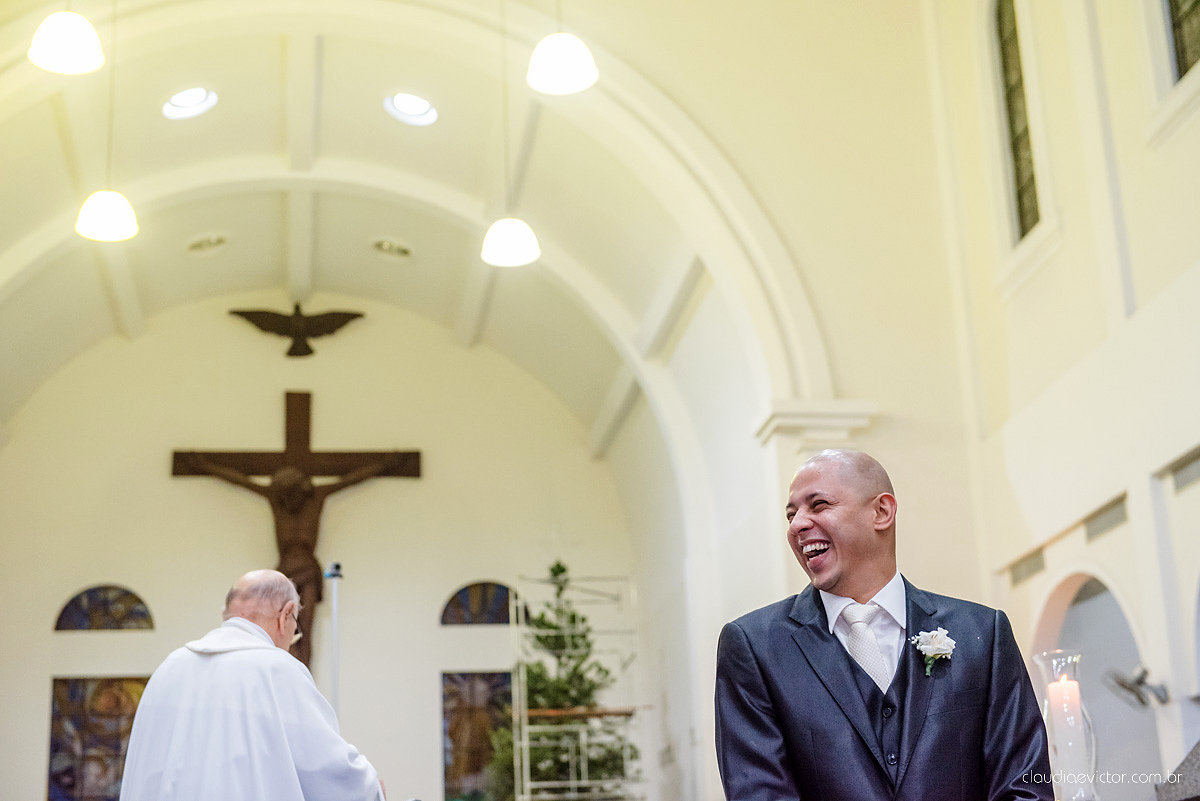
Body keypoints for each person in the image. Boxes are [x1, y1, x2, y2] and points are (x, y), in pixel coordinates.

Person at [714, 449, 1052, 801]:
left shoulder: (981, 633)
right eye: (791, 514)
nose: (797, 524)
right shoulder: (755, 647)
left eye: (818, 505)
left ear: (882, 511)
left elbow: (1024, 785)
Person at [119, 569, 386, 801]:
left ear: (226, 614)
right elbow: (326, 769)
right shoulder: (276, 670)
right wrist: (372, 787)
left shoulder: (169, 668)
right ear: (286, 614)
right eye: (295, 627)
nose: (292, 637)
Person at [179, 452, 403, 666]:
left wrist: (385, 465)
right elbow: (242, 481)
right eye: (285, 495)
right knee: (283, 628)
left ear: (302, 490)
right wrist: (205, 466)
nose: (289, 499)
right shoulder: (277, 502)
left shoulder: (316, 498)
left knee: (304, 629)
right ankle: (284, 669)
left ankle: (303, 673)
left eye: (293, 494)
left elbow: (350, 480)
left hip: (308, 571)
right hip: (284, 575)